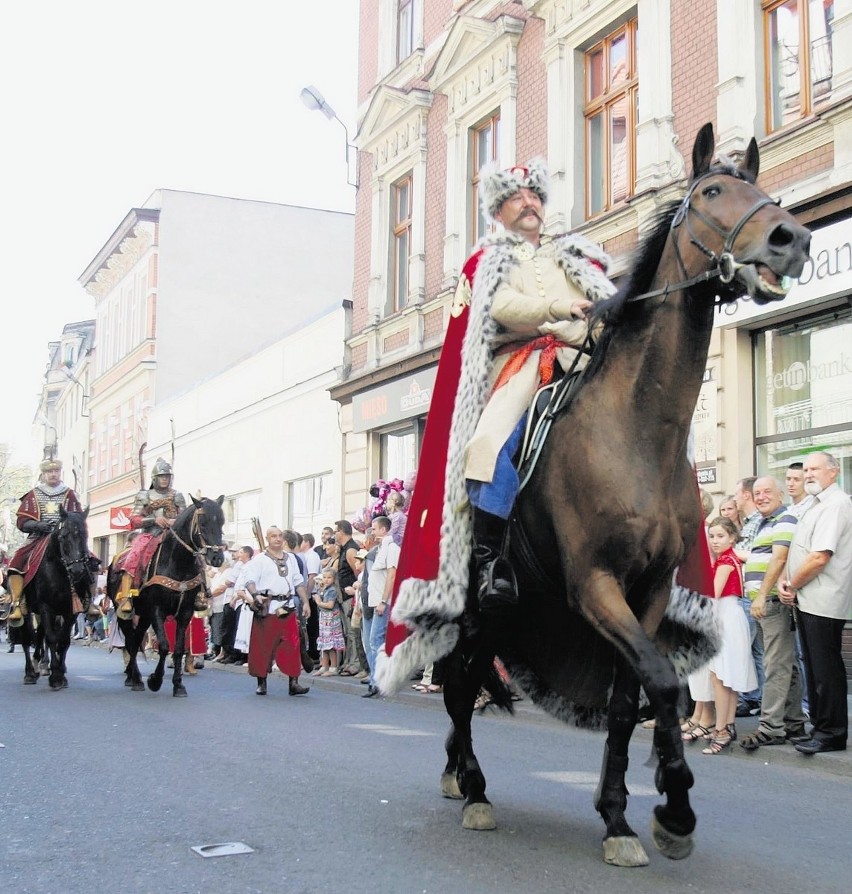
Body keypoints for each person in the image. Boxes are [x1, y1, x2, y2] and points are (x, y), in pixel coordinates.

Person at [779, 451, 852, 754]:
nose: (808, 474)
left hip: (823, 598)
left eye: (814, 469)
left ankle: (831, 733)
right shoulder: (816, 503)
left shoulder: (835, 504)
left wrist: (792, 584)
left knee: (825, 668)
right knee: (815, 667)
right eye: (805, 469)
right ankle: (820, 727)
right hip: (809, 597)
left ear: (833, 472)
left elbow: (820, 556)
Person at [739, 476, 808, 751]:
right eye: (757, 493)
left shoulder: (786, 519)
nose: (761, 497)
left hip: (772, 602)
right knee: (785, 665)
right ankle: (793, 723)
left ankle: (770, 727)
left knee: (775, 665)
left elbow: (779, 558)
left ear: (780, 494)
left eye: (767, 491)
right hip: (766, 601)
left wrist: (762, 597)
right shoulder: (765, 522)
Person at [700, 517, 757, 754]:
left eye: (720, 536)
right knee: (725, 677)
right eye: (711, 536)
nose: (714, 541)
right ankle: (726, 725)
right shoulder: (730, 557)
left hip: (725, 618)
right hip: (728, 616)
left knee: (720, 677)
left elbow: (712, 593)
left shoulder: (725, 560)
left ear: (732, 538)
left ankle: (722, 730)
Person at [5, 457, 85, 626]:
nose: (53, 474)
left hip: (65, 537)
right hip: (39, 536)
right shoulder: (34, 494)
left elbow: (78, 517)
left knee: (90, 561)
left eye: (56, 471)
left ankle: (88, 601)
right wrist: (38, 524)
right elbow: (22, 521)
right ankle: (18, 602)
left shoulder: (69, 493)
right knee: (16, 561)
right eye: (49, 472)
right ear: (43, 474)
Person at [234, 526, 310, 697]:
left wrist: (305, 602)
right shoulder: (259, 560)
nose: (277, 539)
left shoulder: (290, 558)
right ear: (267, 539)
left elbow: (298, 582)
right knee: (263, 647)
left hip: (287, 607)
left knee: (292, 644)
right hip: (268, 608)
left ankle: (294, 683)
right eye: (273, 536)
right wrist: (255, 595)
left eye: (280, 535)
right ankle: (261, 682)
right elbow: (250, 581)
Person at [114, 458, 194, 619]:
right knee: (133, 558)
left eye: (167, 476)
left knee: (196, 557)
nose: (165, 479)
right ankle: (126, 597)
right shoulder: (144, 495)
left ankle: (202, 594)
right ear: (154, 478)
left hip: (173, 535)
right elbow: (134, 520)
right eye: (161, 476)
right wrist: (153, 519)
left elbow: (184, 517)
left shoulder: (177, 495)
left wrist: (175, 521)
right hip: (150, 534)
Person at [732, 475, 764, 716]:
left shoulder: (757, 522)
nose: (734, 499)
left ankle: (749, 698)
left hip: (750, 594)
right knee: (755, 650)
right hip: (748, 594)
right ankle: (756, 697)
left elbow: (755, 555)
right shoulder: (750, 523)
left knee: (743, 647)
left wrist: (731, 551)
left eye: (736, 494)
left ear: (745, 494)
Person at [363, 515, 400, 698]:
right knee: (370, 642)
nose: (372, 530)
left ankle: (378, 682)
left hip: (382, 602)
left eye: (375, 528)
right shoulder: (378, 548)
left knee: (375, 642)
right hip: (373, 601)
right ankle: (374, 680)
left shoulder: (392, 548)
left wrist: (384, 601)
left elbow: (392, 576)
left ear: (384, 530)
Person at [314, 568, 345, 675]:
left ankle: (333, 667)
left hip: (331, 618)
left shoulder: (332, 590)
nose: (326, 580)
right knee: (324, 642)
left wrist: (318, 602)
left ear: (334, 578)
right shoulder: (325, 588)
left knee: (331, 643)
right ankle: (324, 665)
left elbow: (330, 605)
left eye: (329, 577)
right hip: (324, 618)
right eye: (324, 577)